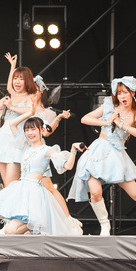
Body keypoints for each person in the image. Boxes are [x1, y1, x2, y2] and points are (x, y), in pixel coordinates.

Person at [68, 76, 136, 236]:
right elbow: (85, 119)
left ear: (132, 93)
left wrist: (121, 124)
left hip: (116, 155)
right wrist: (106, 122)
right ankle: (105, 226)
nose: (122, 96)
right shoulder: (109, 106)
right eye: (119, 93)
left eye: (125, 92)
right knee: (95, 192)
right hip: (98, 151)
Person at [0, 99, 84, 235]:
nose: (30, 133)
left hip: (34, 191)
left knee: (10, 232)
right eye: (27, 130)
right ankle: (31, 222)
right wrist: (29, 113)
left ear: (41, 130)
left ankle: (37, 222)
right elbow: (12, 124)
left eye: (33, 129)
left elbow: (68, 166)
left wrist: (73, 150)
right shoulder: (25, 146)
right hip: (21, 187)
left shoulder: (47, 150)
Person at [33, 74, 82, 232]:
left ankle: (68, 221)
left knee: (48, 187)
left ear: (41, 91)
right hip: (22, 151)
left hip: (38, 151)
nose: (31, 93)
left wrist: (59, 117)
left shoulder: (48, 112)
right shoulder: (22, 107)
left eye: (34, 90)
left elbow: (46, 132)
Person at [0, 53, 37, 187]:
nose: (17, 82)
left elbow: (30, 111)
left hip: (17, 140)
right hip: (2, 139)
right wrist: (12, 66)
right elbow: (9, 86)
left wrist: (12, 107)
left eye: (21, 79)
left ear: (27, 81)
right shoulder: (13, 94)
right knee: (6, 185)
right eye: (15, 78)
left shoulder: (30, 97)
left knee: (12, 184)